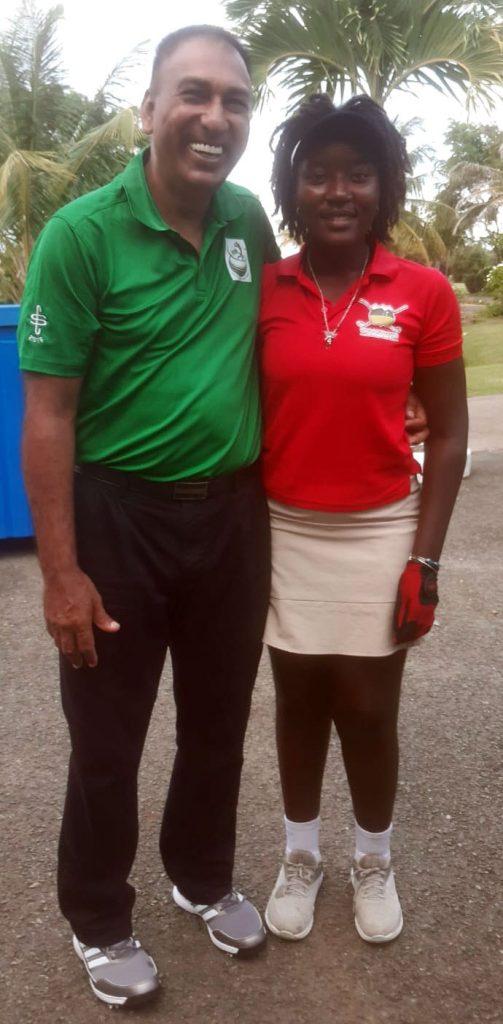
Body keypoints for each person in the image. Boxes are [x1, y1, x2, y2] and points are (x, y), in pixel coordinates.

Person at [17, 25, 280, 1009]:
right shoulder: (82, 235)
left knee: (218, 726)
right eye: (193, 94)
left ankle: (201, 876)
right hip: (117, 517)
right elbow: (48, 414)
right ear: (150, 111)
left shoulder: (248, 223)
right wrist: (60, 571)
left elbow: (285, 345)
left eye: (235, 101)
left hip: (230, 520)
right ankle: (98, 914)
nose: (214, 118)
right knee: (107, 739)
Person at [258, 94, 468, 945]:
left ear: (383, 188)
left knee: (370, 708)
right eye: (317, 175)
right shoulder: (265, 288)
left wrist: (426, 561)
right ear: (292, 188)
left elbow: (449, 434)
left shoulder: (422, 291)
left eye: (357, 174)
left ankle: (372, 857)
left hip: (384, 525)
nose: (336, 190)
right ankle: (300, 854)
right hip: (280, 526)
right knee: (296, 699)